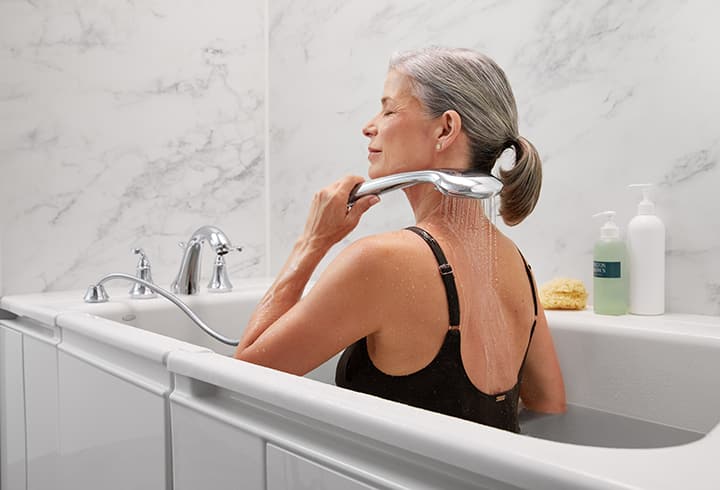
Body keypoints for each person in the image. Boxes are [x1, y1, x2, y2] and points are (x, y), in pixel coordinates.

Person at [234, 47, 566, 432]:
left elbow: (241, 385)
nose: (369, 126)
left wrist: (312, 243)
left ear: (445, 129)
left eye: (389, 110)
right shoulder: (514, 261)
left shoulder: (382, 262)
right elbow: (549, 404)